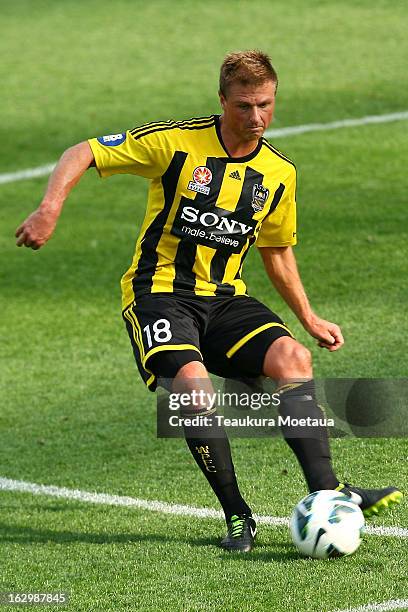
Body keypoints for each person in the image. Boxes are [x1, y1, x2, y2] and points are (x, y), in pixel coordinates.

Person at [16, 50, 402, 553]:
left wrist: (308, 317)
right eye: (244, 106)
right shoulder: (176, 143)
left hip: (224, 300)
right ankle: (238, 515)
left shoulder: (278, 172)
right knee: (194, 392)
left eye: (265, 105)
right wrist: (50, 208)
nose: (256, 117)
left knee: (293, 359)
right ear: (222, 101)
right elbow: (83, 150)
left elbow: (277, 251)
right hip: (159, 295)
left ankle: (328, 493)